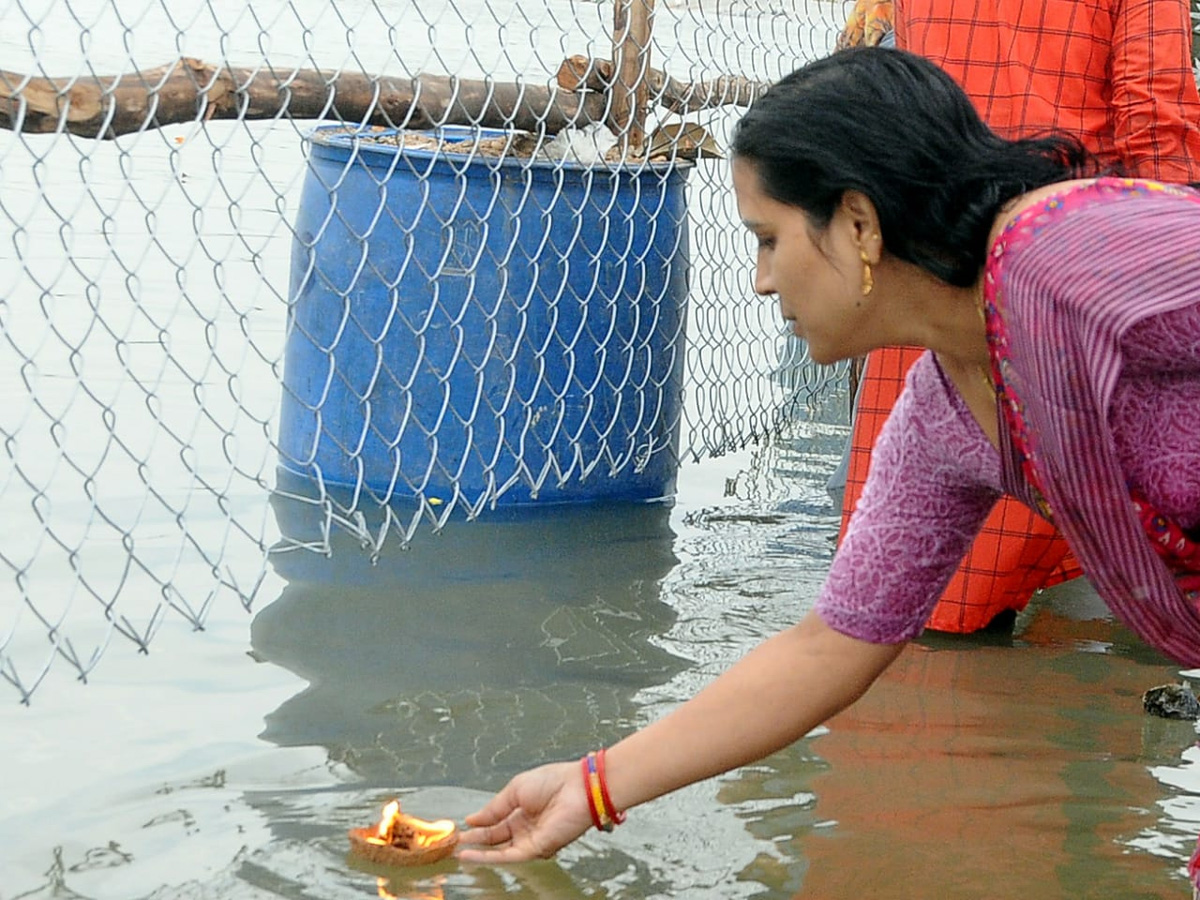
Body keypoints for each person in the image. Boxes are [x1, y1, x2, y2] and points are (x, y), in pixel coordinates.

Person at [456, 49, 1200, 890]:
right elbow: (831, 645)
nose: (763, 281)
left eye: (769, 238)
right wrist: (593, 785)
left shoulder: (1069, 255)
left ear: (858, 223)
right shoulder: (942, 415)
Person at [837, 0, 1200, 634]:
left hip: (927, 263)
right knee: (1112, 574)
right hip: (1068, 277)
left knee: (907, 596)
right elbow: (1154, 119)